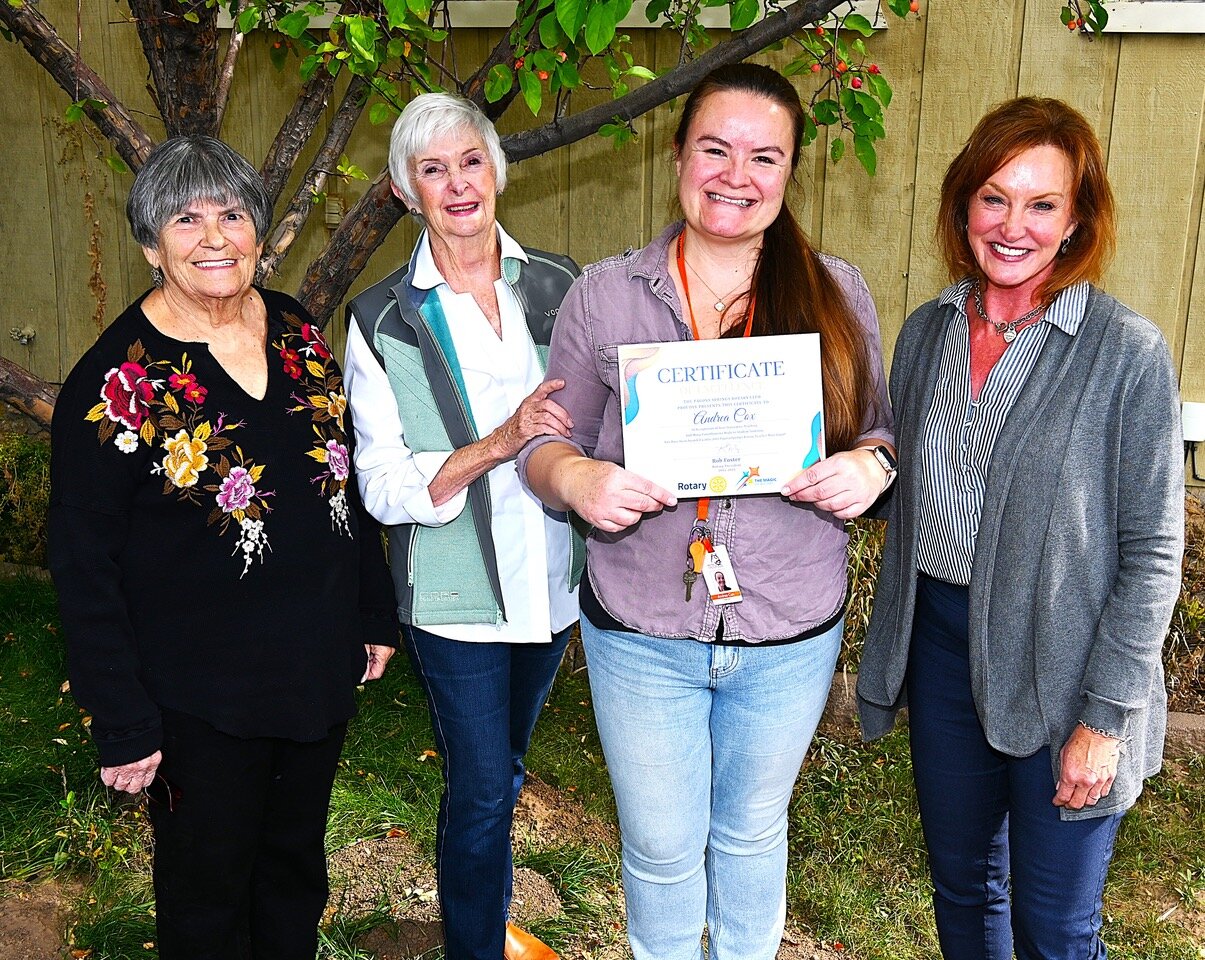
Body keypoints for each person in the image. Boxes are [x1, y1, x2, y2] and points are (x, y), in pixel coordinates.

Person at [520, 63, 895, 960]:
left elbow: (881, 433)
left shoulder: (835, 291)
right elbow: (543, 444)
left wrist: (868, 470)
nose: (736, 174)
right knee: (657, 848)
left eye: (764, 156)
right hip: (642, 631)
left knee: (752, 836)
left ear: (791, 170)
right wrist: (578, 483)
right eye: (713, 148)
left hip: (788, 627)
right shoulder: (605, 294)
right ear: (678, 156)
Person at [48, 135, 398, 960]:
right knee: (207, 894)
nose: (214, 236)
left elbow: (336, 483)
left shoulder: (297, 329)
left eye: (232, 214)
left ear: (259, 230)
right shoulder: (114, 386)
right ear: (149, 245)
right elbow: (81, 563)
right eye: (186, 218)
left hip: (312, 669)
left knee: (292, 876)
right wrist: (123, 720)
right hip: (195, 697)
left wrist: (372, 607)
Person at [856, 97, 1184, 960]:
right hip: (939, 649)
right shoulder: (927, 331)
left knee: (1054, 923)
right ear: (963, 203)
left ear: (1076, 221)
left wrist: (1104, 718)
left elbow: (1153, 553)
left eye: (1042, 204)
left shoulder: (1125, 353)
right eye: (994, 197)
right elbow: (920, 485)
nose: (1012, 225)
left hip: (1066, 668)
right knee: (964, 888)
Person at [343, 93, 583, 960]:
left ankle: (482, 918)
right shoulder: (382, 318)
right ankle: (474, 947)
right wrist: (500, 443)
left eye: (469, 162)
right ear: (407, 192)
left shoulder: (560, 282)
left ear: (496, 171)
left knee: (503, 773)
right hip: (455, 595)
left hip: (555, 582)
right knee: (482, 788)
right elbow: (378, 483)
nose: (456, 184)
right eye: (431, 169)